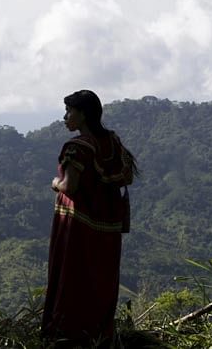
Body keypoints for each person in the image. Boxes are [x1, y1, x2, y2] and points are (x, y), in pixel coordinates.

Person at [42, 90, 137, 346]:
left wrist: (55, 183)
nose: (65, 117)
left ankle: (66, 332)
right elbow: (126, 176)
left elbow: (70, 186)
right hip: (108, 225)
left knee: (73, 275)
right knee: (100, 276)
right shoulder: (112, 142)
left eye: (69, 112)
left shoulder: (77, 147)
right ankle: (98, 332)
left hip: (78, 225)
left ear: (82, 114)